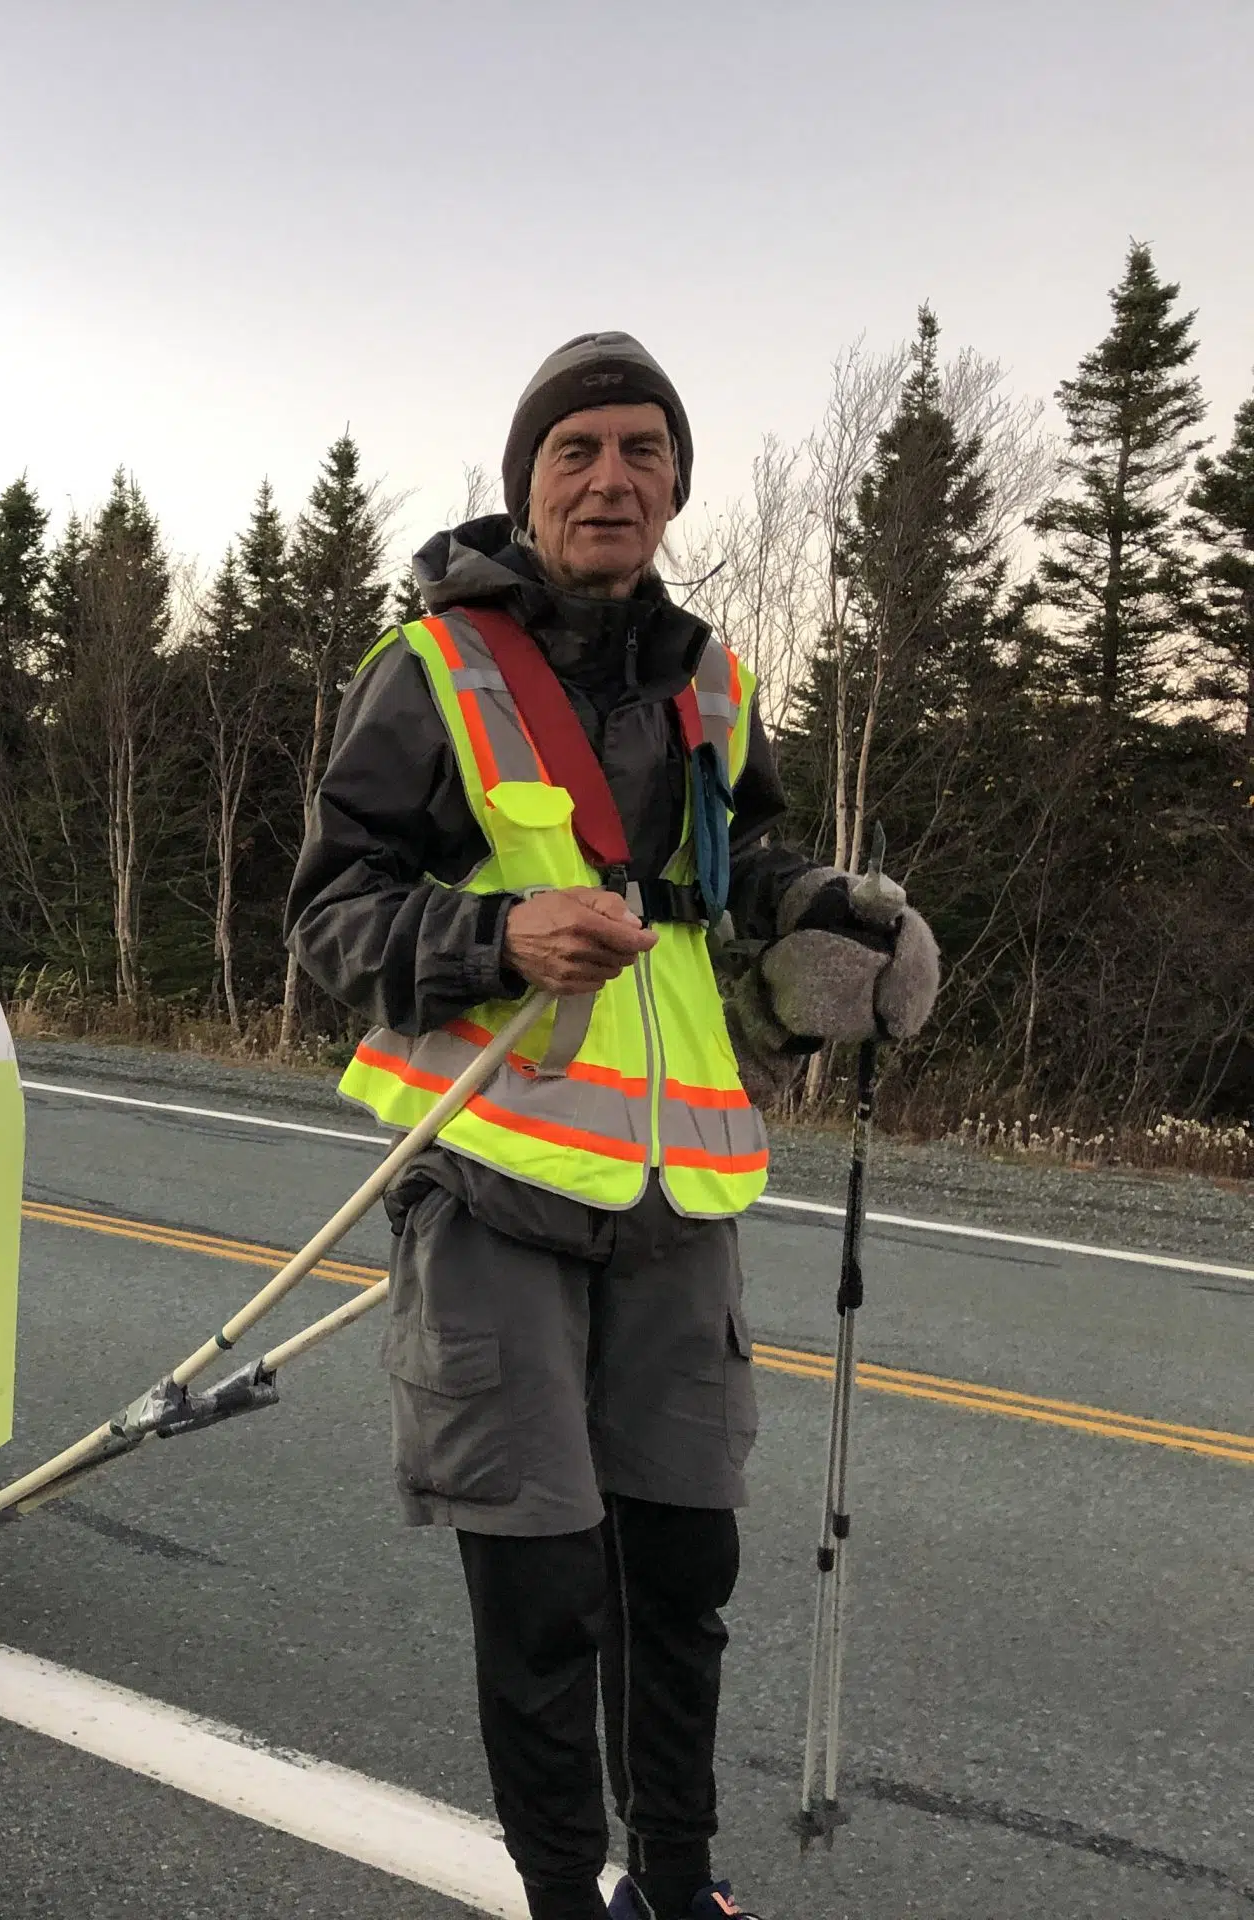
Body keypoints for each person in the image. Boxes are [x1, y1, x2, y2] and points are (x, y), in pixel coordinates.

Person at [285, 332, 938, 1920]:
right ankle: (566, 1897)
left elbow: (737, 889)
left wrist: (834, 918)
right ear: (526, 482)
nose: (610, 476)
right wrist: (495, 942)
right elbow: (324, 924)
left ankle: (683, 1885)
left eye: (643, 450)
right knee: (545, 1583)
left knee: (684, 1573)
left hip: (680, 1181)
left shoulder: (710, 686)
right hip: (492, 1166)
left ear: (673, 488)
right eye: (576, 449)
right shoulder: (431, 667)